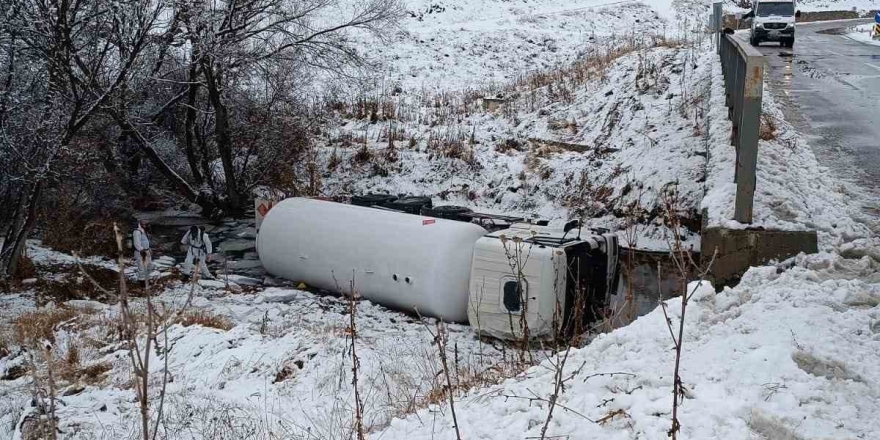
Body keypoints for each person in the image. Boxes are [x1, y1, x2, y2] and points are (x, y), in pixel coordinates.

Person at [132, 220, 152, 288]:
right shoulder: (137, 232)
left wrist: (149, 249)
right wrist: (141, 250)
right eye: (145, 224)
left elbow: (146, 241)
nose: (146, 226)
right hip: (141, 252)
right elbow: (136, 243)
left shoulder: (144, 231)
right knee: (142, 267)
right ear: (141, 224)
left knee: (149, 266)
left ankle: (147, 279)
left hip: (147, 251)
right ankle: (142, 282)